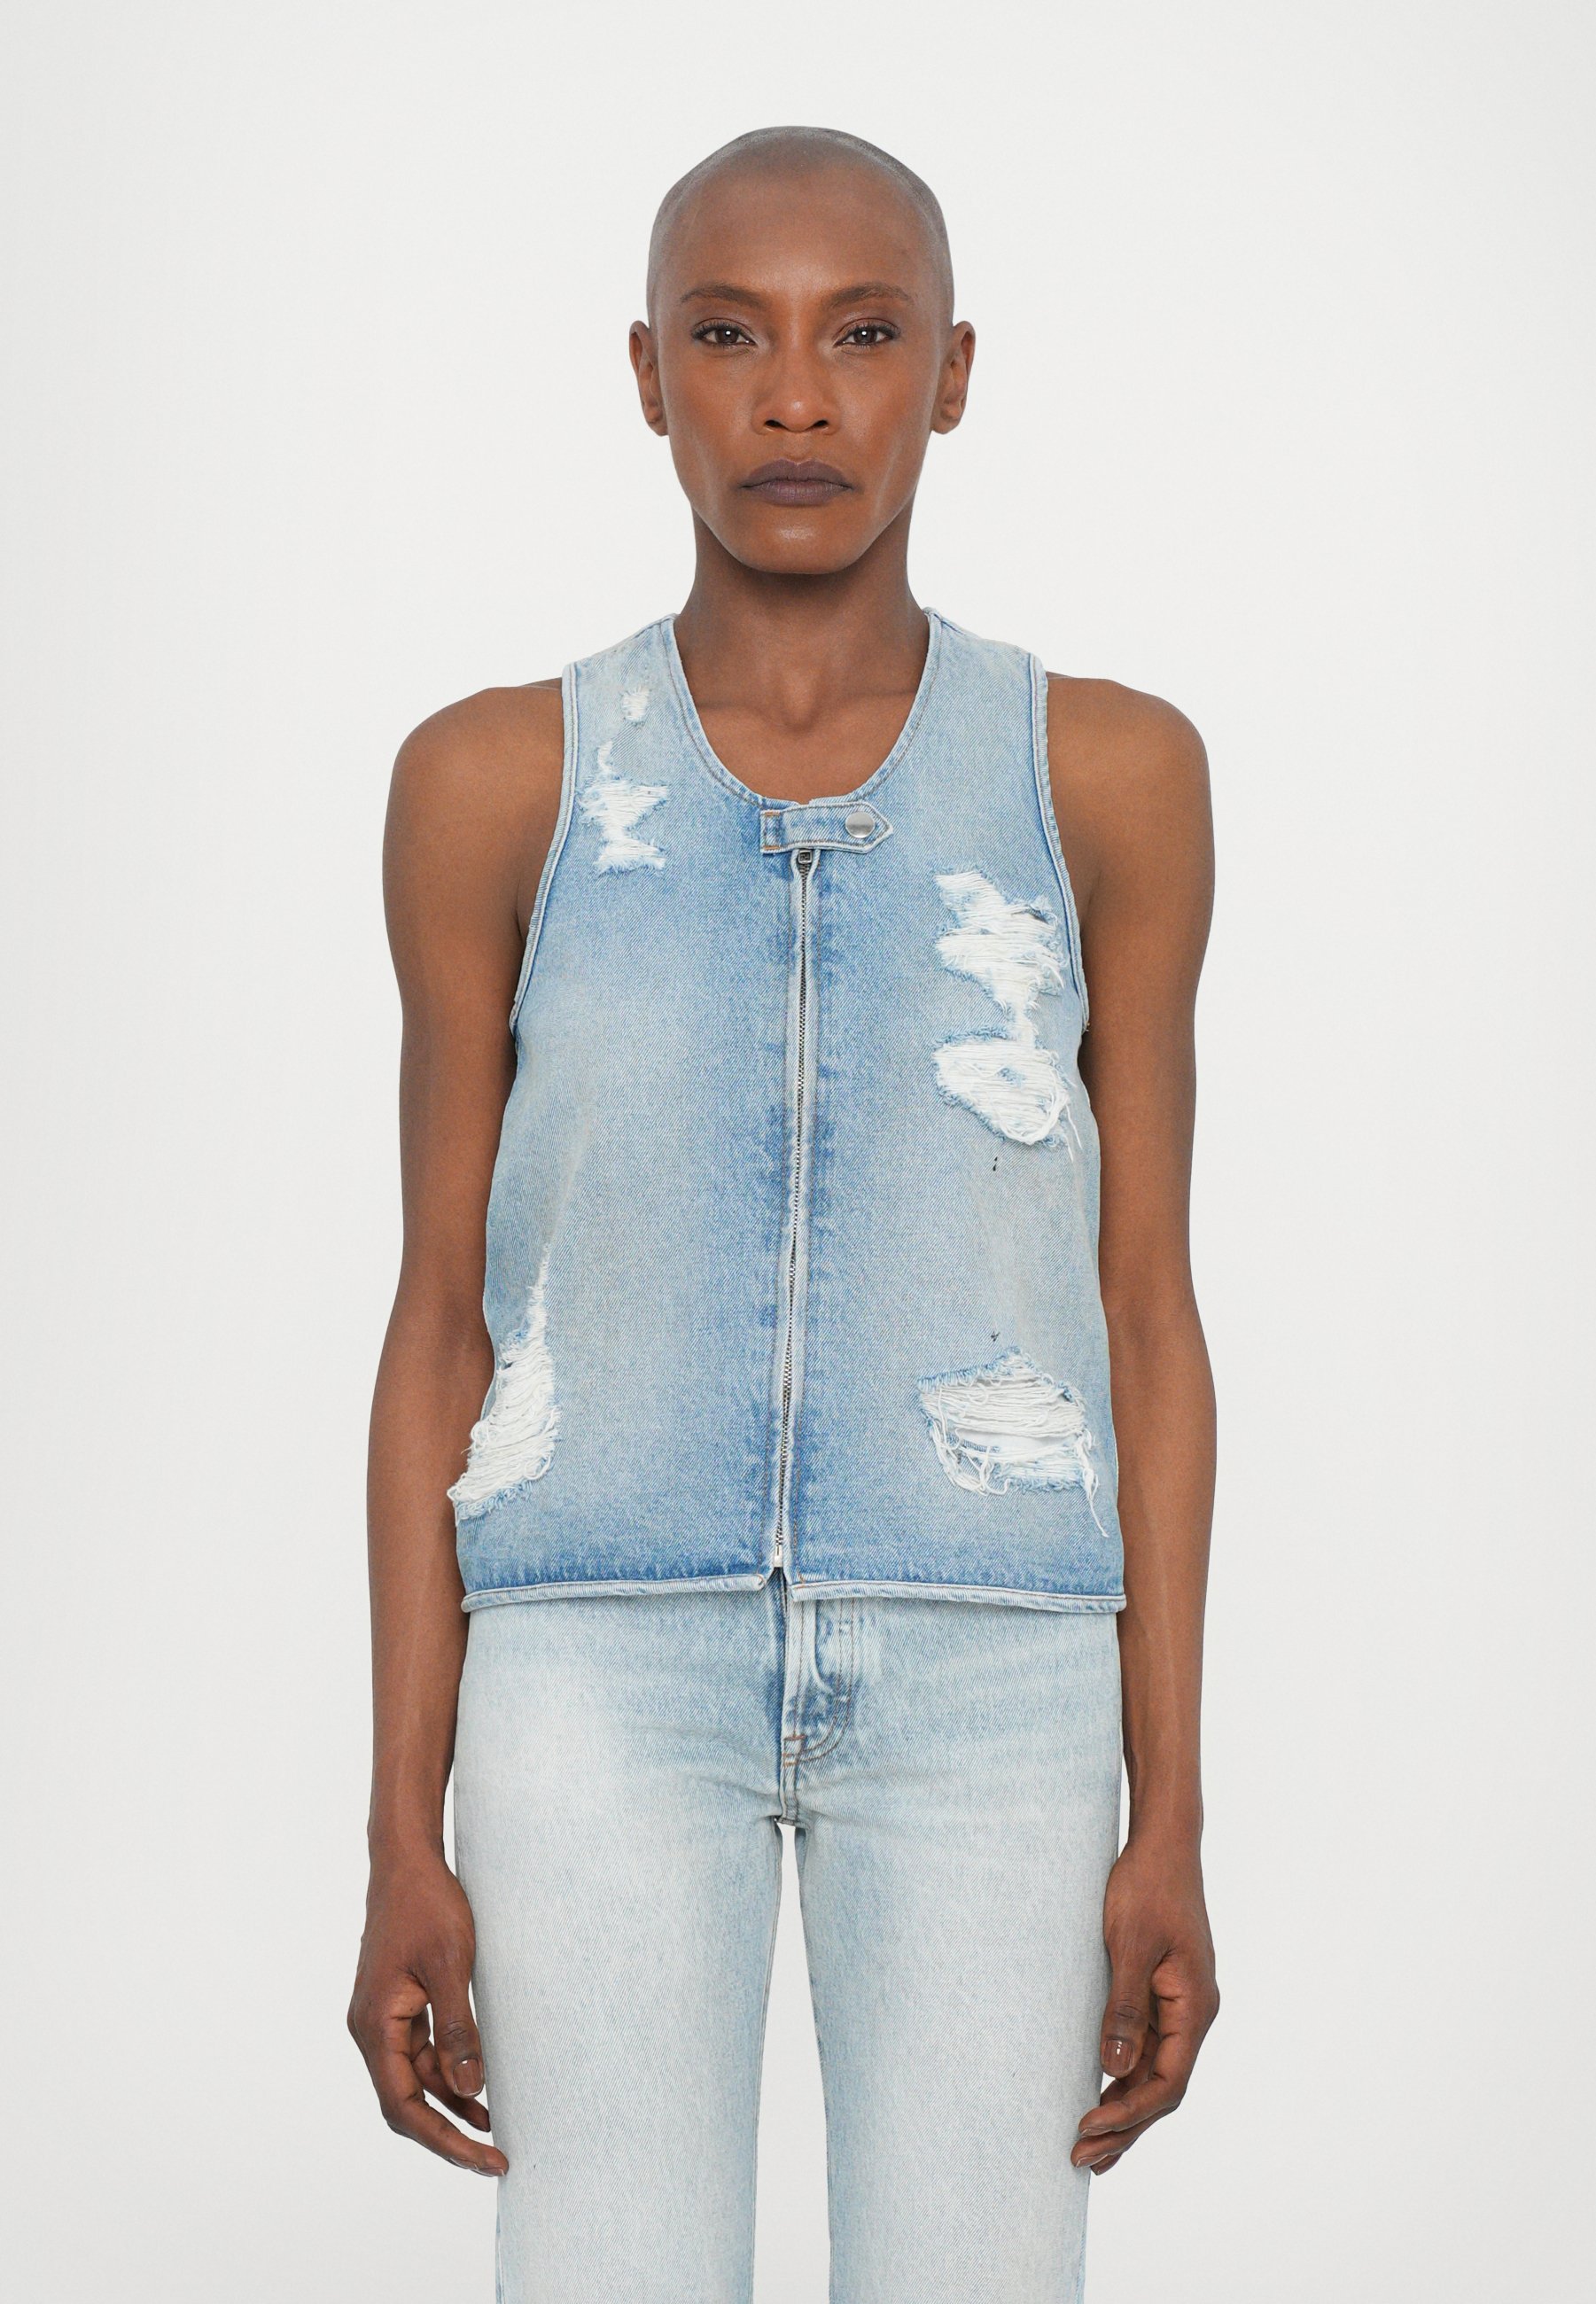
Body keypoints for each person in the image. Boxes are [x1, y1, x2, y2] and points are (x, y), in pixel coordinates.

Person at [347, 123, 1219, 2302]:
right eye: (731, 337)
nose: (799, 397)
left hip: (995, 1668)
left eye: (865, 333)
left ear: (953, 372)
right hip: (590, 1666)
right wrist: (396, 1825)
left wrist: (1172, 1806)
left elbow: (1144, 1311)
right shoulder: (499, 782)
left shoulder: (1104, 777)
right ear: (650, 374)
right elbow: (440, 1320)